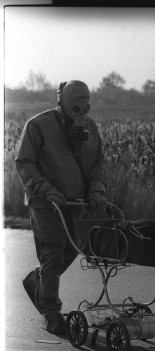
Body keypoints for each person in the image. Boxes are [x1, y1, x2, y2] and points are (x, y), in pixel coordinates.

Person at [15, 80, 107, 334]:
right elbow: (24, 163)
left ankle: (38, 280)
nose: (82, 114)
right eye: (76, 108)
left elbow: (98, 162)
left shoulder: (90, 127)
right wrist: (45, 189)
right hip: (46, 204)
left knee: (73, 248)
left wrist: (97, 190)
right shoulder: (38, 126)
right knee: (53, 252)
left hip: (76, 202)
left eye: (85, 107)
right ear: (62, 103)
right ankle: (51, 313)